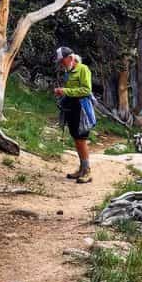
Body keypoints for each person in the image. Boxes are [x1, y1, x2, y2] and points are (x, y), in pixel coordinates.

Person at [54, 46, 95, 183]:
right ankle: (82, 169)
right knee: (76, 138)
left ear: (70, 58)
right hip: (71, 108)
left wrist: (65, 91)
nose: (61, 64)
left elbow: (86, 90)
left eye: (62, 61)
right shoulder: (68, 71)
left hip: (81, 109)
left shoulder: (83, 69)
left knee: (81, 139)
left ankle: (87, 171)